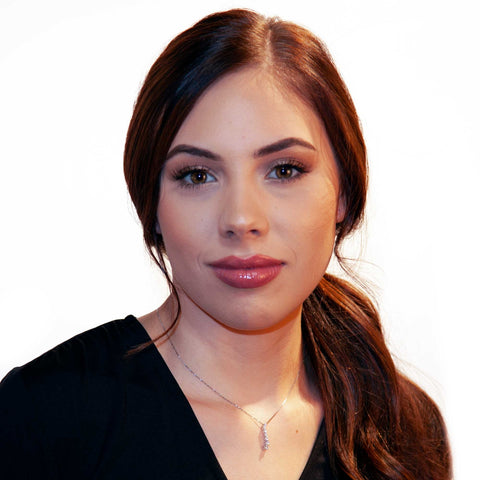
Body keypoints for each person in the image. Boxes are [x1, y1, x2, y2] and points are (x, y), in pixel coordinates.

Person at [0, 8, 451, 480]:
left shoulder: (405, 427)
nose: (241, 219)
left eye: (284, 170)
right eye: (198, 175)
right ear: (151, 203)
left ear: (344, 191)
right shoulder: (45, 414)